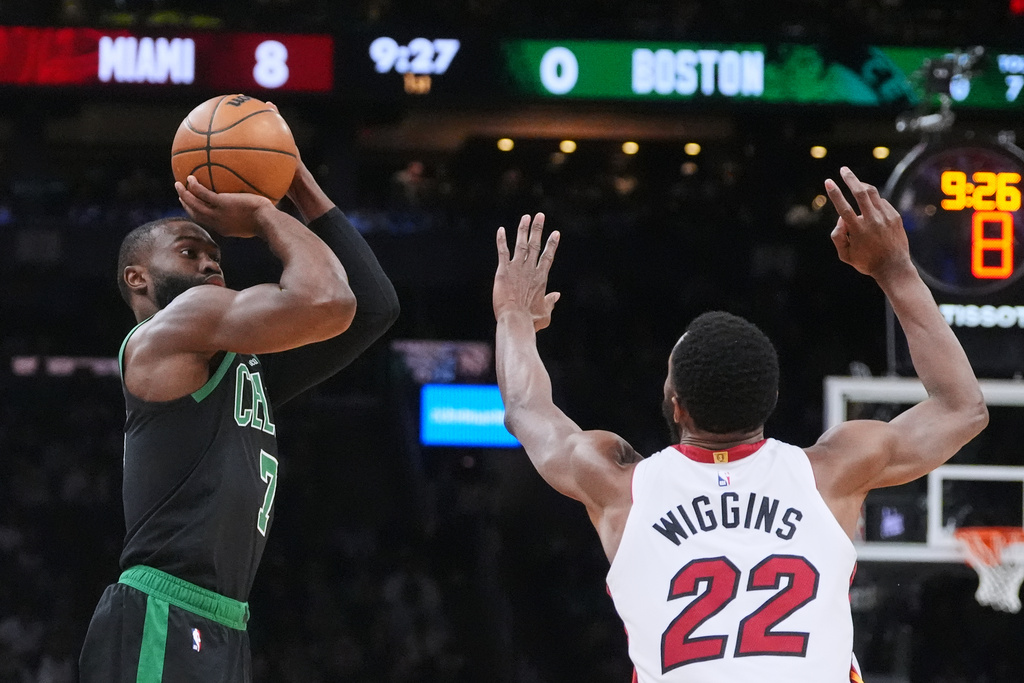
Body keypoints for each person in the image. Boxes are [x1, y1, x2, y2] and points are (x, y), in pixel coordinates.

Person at [491, 166, 988, 682]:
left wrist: (513, 316)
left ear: (676, 403)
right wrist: (894, 267)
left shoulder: (619, 485)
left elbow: (527, 410)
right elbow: (961, 407)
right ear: (770, 399)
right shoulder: (830, 472)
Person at [79, 149, 400, 682]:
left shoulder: (242, 370)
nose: (210, 264)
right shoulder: (169, 331)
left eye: (216, 258)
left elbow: (372, 307)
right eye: (189, 252)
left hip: (224, 619)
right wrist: (263, 214)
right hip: (163, 610)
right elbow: (327, 299)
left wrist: (299, 182)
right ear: (137, 278)